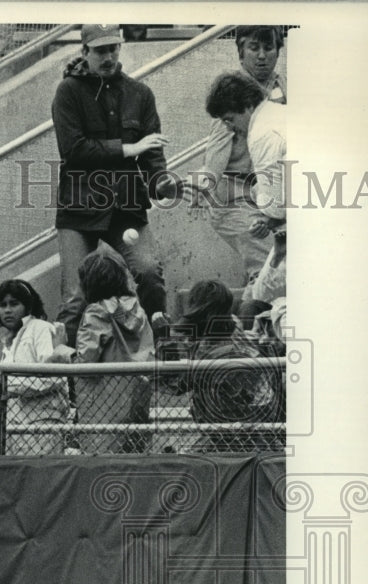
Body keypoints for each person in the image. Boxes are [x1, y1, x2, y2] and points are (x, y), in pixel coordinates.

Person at [51, 24, 177, 349]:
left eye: (113, 48)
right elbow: (73, 150)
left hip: (125, 209)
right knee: (75, 299)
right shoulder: (68, 91)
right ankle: (62, 379)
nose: (108, 57)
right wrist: (126, 149)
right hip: (79, 209)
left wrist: (165, 184)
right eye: (100, 50)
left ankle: (162, 355)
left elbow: (153, 157)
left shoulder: (140, 94)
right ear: (84, 52)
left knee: (149, 273)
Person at [191, 26, 286, 293]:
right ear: (240, 53)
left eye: (269, 48)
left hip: (267, 193)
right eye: (253, 48)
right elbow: (217, 153)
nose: (262, 56)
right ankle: (251, 327)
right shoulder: (235, 97)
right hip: (235, 196)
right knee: (269, 271)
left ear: (279, 51)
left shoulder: (283, 87)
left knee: (271, 268)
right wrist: (207, 183)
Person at [205, 72, 287, 303]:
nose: (229, 127)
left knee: (265, 288)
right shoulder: (281, 113)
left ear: (249, 106)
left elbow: (275, 208)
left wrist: (270, 219)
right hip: (233, 206)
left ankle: (252, 335)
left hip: (261, 206)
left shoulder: (261, 134)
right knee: (267, 278)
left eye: (230, 119)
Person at [178, 279, 283, 448]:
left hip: (244, 416)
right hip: (248, 415)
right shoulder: (230, 327)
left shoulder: (215, 346)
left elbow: (178, 385)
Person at [74, 247, 155, 454]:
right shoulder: (138, 310)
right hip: (137, 399)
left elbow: (85, 362)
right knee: (135, 463)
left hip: (103, 405)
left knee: (102, 467)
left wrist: (61, 353)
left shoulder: (96, 311)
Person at [0, 278, 70, 455]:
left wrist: (10, 387)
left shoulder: (40, 328)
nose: (7, 310)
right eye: (2, 305)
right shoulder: (9, 341)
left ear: (28, 306)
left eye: (14, 304)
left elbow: (55, 375)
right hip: (14, 427)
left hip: (42, 424)